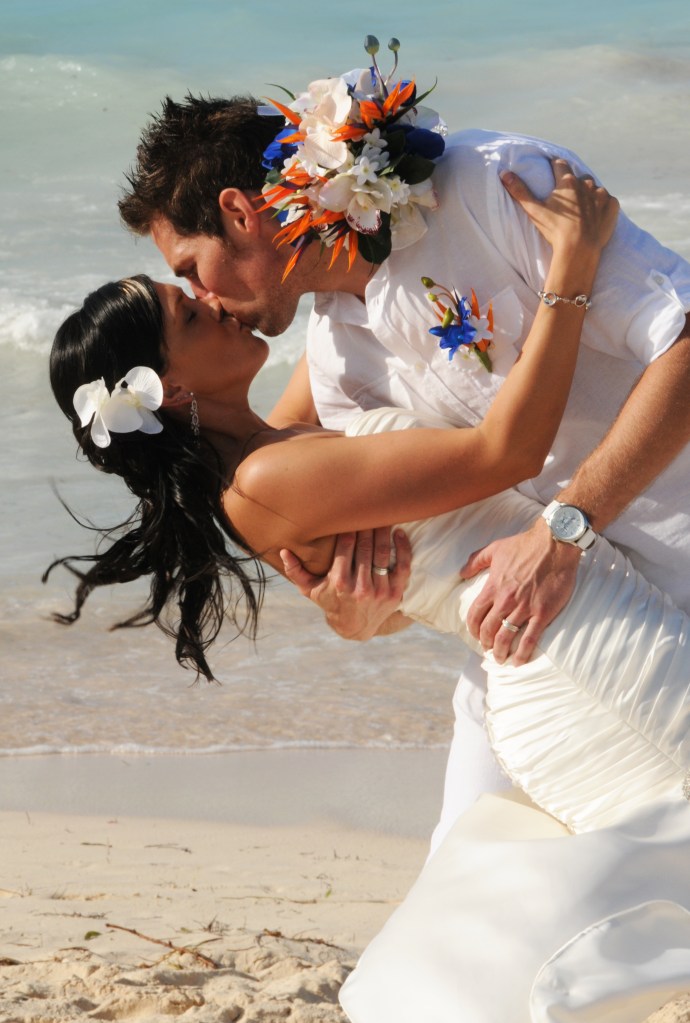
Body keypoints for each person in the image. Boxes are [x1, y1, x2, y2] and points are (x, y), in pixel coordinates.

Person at [117, 54, 690, 850]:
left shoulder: (494, 187)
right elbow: (423, 559)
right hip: (534, 631)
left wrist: (567, 528)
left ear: (240, 212)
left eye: (190, 269)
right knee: (475, 871)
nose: (204, 298)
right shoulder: (337, 365)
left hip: (639, 569)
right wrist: (360, 612)